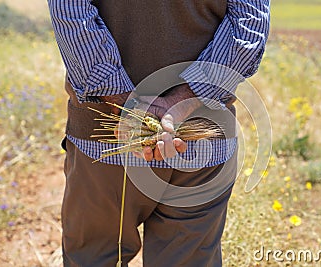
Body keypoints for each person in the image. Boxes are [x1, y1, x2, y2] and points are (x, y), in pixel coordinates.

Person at [48, 0, 270, 266]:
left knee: (94, 258)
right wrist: (184, 99)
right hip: (201, 143)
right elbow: (249, 23)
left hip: (106, 139)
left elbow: (71, 14)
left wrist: (127, 103)